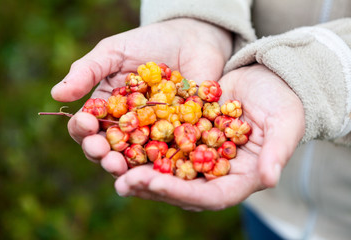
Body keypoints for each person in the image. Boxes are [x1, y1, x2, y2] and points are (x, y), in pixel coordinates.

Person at [50, 0, 351, 239]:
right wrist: (194, 17)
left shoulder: (196, 124)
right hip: (272, 209)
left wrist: (309, 75)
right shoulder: (182, 113)